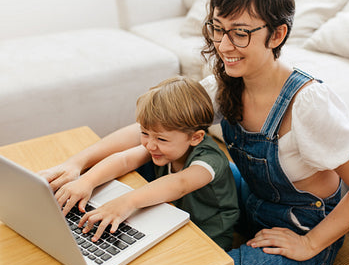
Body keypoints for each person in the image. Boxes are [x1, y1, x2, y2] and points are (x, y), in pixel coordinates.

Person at [40, 0, 349, 265]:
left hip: (299, 224)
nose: (223, 46)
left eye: (239, 34)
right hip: (249, 198)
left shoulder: (309, 103)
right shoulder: (225, 83)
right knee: (155, 152)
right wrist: (78, 165)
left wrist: (310, 243)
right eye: (218, 29)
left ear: (277, 34)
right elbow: (151, 130)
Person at [49, 76, 239, 251]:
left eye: (161, 139)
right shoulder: (162, 147)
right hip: (171, 217)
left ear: (195, 137)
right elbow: (124, 159)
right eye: (144, 133)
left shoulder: (209, 160)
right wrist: (86, 181)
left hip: (209, 236)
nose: (150, 144)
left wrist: (126, 202)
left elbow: (179, 184)